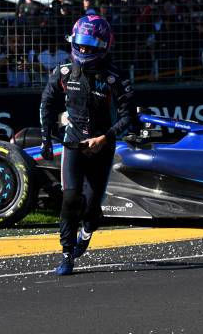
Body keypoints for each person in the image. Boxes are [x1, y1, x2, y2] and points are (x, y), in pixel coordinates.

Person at [39, 15, 134, 276]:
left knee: (91, 208)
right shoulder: (64, 72)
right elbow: (46, 104)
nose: (82, 50)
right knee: (70, 198)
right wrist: (47, 139)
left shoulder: (116, 78)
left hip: (102, 147)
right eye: (79, 45)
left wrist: (105, 138)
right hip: (73, 144)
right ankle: (67, 254)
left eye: (89, 46)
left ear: (103, 46)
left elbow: (129, 117)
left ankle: (88, 230)